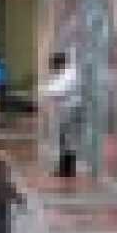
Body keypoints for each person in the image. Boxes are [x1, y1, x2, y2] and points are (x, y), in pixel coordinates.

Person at [40, 51, 81, 179]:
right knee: (65, 139)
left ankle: (67, 169)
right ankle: (65, 168)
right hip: (67, 109)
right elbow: (54, 87)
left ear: (60, 64)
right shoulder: (67, 73)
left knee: (67, 140)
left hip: (70, 109)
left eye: (54, 66)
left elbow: (58, 90)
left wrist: (45, 91)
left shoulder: (69, 74)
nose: (53, 70)